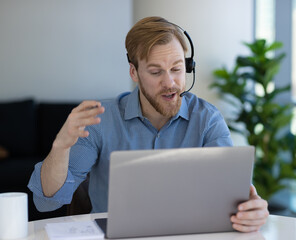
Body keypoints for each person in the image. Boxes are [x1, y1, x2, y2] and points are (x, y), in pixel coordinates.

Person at [28, 16, 269, 232]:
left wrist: (252, 210)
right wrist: (60, 147)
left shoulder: (207, 119)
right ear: (134, 72)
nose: (170, 82)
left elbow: (236, 196)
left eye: (177, 69)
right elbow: (47, 201)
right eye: (156, 72)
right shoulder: (100, 119)